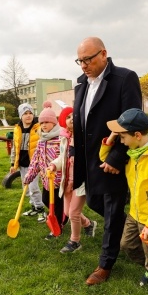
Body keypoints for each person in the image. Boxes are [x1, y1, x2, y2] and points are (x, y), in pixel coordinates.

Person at [73, 37, 142, 285]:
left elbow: (132, 121)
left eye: (88, 59)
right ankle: (132, 230)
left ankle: (105, 264)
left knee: (112, 209)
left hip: (114, 157)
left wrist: (116, 157)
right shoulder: (80, 85)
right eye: (80, 60)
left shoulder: (124, 79)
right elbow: (81, 123)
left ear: (104, 54)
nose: (83, 65)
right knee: (93, 201)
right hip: (89, 156)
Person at [101, 108, 148, 295]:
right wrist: (110, 140)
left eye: (122, 136)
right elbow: (103, 159)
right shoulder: (132, 153)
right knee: (127, 245)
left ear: (138, 135)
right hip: (134, 213)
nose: (121, 141)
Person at [47, 106, 97, 254]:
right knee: (68, 212)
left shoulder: (84, 139)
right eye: (67, 117)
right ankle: (88, 224)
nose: (71, 119)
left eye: (73, 116)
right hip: (67, 181)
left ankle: (74, 241)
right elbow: (62, 158)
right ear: (63, 121)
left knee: (74, 213)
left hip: (80, 182)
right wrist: (53, 165)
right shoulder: (65, 139)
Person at [23, 101, 64, 240]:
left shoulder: (60, 139)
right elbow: (35, 160)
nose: (44, 125)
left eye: (47, 122)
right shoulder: (41, 141)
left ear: (54, 123)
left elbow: (64, 159)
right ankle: (66, 216)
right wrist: (30, 174)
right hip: (46, 179)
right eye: (41, 123)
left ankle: (58, 227)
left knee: (57, 205)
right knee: (46, 200)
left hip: (58, 179)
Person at [10, 103, 45, 223]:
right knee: (26, 187)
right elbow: (15, 148)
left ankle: (41, 210)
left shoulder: (38, 128)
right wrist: (12, 164)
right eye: (25, 113)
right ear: (20, 116)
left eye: (30, 113)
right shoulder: (17, 129)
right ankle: (34, 207)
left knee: (33, 187)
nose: (28, 116)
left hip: (34, 164)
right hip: (22, 163)